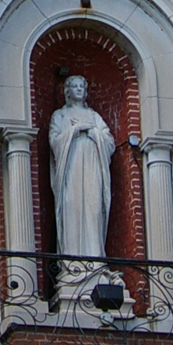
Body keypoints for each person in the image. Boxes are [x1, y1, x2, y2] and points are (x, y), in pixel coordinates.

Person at [49, 75, 115, 257]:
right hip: (71, 169)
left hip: (93, 168)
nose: (78, 89)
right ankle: (72, 262)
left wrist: (93, 132)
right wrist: (74, 131)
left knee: (94, 209)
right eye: (74, 86)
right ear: (67, 91)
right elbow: (54, 142)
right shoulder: (60, 116)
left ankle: (96, 258)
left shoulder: (94, 116)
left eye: (81, 87)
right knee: (72, 208)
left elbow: (109, 142)